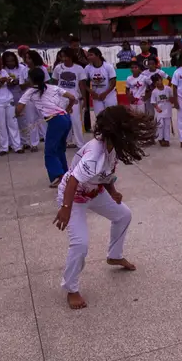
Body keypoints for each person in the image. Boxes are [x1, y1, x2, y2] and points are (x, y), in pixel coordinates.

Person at [53, 106, 156, 309]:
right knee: (80, 244)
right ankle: (71, 288)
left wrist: (113, 192)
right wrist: (66, 207)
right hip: (74, 197)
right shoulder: (94, 153)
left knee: (123, 215)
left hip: (96, 192)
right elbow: (73, 180)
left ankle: (114, 256)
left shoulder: (112, 146)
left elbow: (105, 174)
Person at [16, 67, 77, 187]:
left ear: (31, 79)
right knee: (59, 149)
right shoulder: (53, 87)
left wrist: (17, 114)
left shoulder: (30, 91)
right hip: (65, 118)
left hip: (55, 120)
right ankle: (65, 175)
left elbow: (19, 107)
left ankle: (59, 177)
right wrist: (69, 108)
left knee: (50, 151)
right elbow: (72, 97)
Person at [51, 48, 88, 149]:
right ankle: (65, 141)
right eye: (62, 56)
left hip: (75, 98)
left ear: (71, 57)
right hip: (61, 98)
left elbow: (82, 85)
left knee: (76, 121)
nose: (64, 58)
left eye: (66, 56)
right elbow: (54, 83)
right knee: (63, 121)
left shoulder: (79, 68)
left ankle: (80, 144)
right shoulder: (58, 68)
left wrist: (84, 98)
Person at [84, 47, 117, 116]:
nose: (89, 57)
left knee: (111, 115)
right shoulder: (87, 68)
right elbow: (83, 84)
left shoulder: (108, 66)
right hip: (96, 96)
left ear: (98, 55)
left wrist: (105, 93)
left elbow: (113, 83)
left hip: (109, 95)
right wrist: (92, 92)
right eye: (88, 55)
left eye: (91, 55)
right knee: (99, 116)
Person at [150, 74, 174, 147]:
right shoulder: (154, 92)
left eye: (158, 80)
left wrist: (172, 101)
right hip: (159, 110)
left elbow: (172, 98)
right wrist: (157, 108)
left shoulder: (168, 89)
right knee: (160, 125)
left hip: (167, 109)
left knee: (167, 125)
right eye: (155, 82)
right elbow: (153, 102)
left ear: (161, 79)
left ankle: (167, 139)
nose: (157, 82)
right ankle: (160, 139)